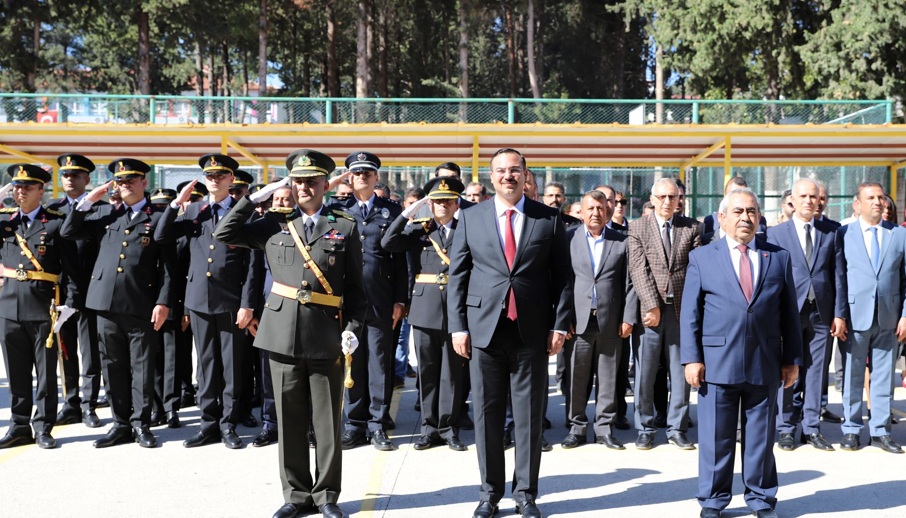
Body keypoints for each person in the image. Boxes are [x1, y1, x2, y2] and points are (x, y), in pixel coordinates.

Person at [214, 149, 366, 518]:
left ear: (325, 185)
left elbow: (356, 288)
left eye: (311, 181)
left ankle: (326, 495)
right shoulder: (273, 222)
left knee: (326, 423)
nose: (303, 187)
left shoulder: (344, 225)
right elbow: (224, 233)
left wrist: (352, 328)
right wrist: (255, 198)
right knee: (290, 419)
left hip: (326, 334)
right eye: (297, 181)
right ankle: (296, 495)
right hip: (281, 333)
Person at [448, 148, 572, 518]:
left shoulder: (548, 218)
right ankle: (489, 494)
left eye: (515, 170)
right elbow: (458, 276)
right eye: (501, 170)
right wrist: (458, 327)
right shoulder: (471, 217)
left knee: (529, 416)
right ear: (491, 176)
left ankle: (526, 494)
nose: (508, 176)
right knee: (486, 415)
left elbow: (563, 278)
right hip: (484, 331)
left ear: (525, 175)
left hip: (531, 332)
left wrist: (559, 325)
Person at [681, 187, 802, 518]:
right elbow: (690, 313)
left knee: (760, 439)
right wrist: (692, 358)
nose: (745, 217)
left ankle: (761, 498)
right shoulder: (703, 258)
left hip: (765, 362)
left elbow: (789, 314)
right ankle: (713, 500)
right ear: (722, 218)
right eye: (738, 211)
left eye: (751, 211)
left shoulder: (778, 257)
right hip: (716, 364)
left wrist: (792, 359)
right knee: (716, 439)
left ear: (759, 217)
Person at [60, 158, 173, 449]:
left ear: (144, 182)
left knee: (142, 368)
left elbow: (168, 266)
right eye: (120, 181)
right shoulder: (106, 214)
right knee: (112, 367)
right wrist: (88, 201)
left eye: (131, 180)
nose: (125, 185)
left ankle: (141, 424)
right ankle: (120, 424)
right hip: (105, 304)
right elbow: (68, 232)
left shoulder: (157, 217)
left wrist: (163, 301)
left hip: (140, 304)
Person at [153, 154, 260, 449]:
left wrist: (248, 304)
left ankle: (228, 425)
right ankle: (208, 424)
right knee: (206, 365)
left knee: (232, 366)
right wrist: (176, 204)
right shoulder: (193, 211)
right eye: (210, 175)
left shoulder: (243, 212)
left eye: (221, 175)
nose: (215, 179)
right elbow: (162, 235)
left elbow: (253, 265)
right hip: (199, 299)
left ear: (231, 179)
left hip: (231, 301)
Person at [382, 177, 469, 452]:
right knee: (428, 372)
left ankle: (448, 428)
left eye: (448, 201)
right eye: (438, 201)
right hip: (425, 308)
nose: (443, 205)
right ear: (430, 204)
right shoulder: (419, 230)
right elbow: (388, 242)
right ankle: (429, 429)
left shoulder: (467, 229)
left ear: (457, 204)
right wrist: (407, 213)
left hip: (457, 309)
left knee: (452, 374)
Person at [330, 151, 407, 451]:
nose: (362, 176)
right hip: (347, 301)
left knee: (379, 363)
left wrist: (400, 299)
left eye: (367, 172)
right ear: (349, 177)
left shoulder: (391, 211)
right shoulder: (336, 210)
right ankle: (354, 424)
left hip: (380, 300)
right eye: (356, 172)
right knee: (352, 361)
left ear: (376, 177)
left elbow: (400, 260)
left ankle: (377, 424)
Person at [0, 164, 77, 450]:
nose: (20, 191)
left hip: (44, 307)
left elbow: (72, 270)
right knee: (16, 372)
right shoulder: (5, 222)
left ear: (41, 190)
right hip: (9, 307)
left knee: (45, 373)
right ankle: (19, 425)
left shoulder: (55, 223)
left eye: (27, 187)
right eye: (17, 186)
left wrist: (70, 304)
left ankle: (43, 426)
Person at [767, 178, 846, 452]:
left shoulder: (831, 232)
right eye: (803, 196)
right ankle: (786, 428)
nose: (809, 201)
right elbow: (772, 278)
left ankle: (812, 428)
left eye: (814, 197)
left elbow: (839, 276)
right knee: (787, 368)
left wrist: (840, 314)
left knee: (817, 372)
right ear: (792, 200)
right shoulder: (776, 234)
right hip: (789, 313)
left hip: (822, 314)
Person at [628, 178, 701, 450]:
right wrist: (652, 305)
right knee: (645, 374)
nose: (668, 202)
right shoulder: (637, 228)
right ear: (652, 199)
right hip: (651, 312)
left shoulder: (692, 228)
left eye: (673, 196)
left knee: (680, 374)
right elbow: (638, 270)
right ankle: (645, 428)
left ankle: (677, 428)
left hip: (681, 311)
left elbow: (696, 269)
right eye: (662, 197)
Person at [561, 190, 636, 450]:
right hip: (577, 321)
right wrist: (563, 318)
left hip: (611, 322)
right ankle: (577, 428)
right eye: (590, 208)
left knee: (608, 377)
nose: (595, 213)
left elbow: (630, 283)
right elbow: (561, 281)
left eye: (600, 208)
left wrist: (628, 318)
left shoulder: (622, 242)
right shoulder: (568, 239)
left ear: (608, 211)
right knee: (576, 377)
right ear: (581, 212)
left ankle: (604, 429)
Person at [837, 182, 906, 454]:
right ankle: (851, 429)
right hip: (854, 318)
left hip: (889, 317)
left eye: (880, 197)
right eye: (871, 198)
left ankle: (880, 431)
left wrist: (905, 315)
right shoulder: (843, 234)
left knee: (884, 377)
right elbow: (838, 278)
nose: (878, 202)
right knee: (853, 375)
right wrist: (839, 315)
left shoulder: (899, 235)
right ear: (857, 204)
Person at [49, 153, 104, 430]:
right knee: (66, 350)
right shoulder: (52, 209)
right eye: (65, 175)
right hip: (60, 292)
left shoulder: (101, 209)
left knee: (91, 351)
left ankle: (88, 405)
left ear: (87, 179)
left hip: (90, 289)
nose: (69, 179)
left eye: (75, 175)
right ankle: (70, 403)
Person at [251, 183, 294, 448]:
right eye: (276, 199)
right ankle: (271, 423)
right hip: (269, 309)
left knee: (300, 371)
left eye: (285, 199)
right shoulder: (263, 229)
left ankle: (305, 425)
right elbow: (253, 272)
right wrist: (250, 308)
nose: (280, 203)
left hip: (299, 309)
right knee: (268, 370)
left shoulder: (305, 226)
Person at [147, 188, 183, 429]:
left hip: (174, 303)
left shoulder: (180, 231)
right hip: (148, 302)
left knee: (171, 359)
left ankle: (171, 408)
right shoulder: (147, 230)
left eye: (165, 207)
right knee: (151, 358)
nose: (160, 212)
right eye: (157, 207)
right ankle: (156, 406)